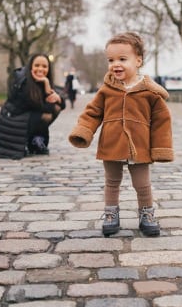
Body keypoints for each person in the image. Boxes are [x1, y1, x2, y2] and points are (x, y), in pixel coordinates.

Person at [68, 32, 174, 237]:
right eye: (111, 60)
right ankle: (111, 214)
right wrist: (84, 131)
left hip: (139, 146)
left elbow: (162, 121)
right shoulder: (106, 90)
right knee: (112, 182)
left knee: (142, 184)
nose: (116, 64)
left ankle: (146, 214)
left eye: (122, 59)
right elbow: (93, 112)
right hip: (112, 144)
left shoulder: (150, 93)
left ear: (138, 61)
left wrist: (161, 148)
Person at [0, 53, 65, 159]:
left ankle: (35, 140)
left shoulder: (41, 81)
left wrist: (58, 98)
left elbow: (61, 105)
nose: (40, 69)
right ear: (30, 67)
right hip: (13, 123)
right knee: (46, 115)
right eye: (37, 65)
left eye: (44, 66)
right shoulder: (24, 83)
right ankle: (31, 140)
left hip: (26, 118)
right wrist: (47, 87)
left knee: (55, 108)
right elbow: (45, 108)